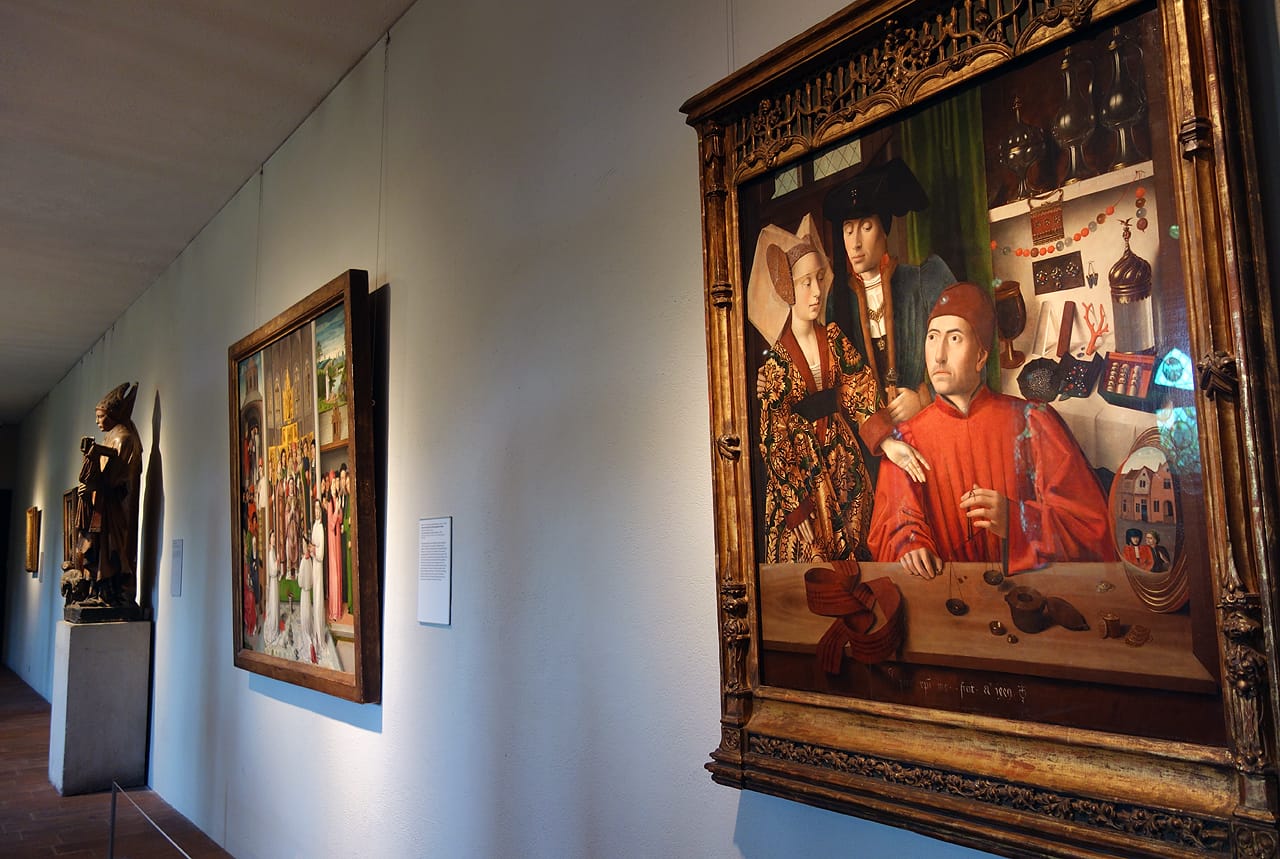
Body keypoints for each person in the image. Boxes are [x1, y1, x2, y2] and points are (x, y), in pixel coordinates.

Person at [868, 282, 1114, 576]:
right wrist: (909, 545)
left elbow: (1091, 529)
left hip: (1029, 591)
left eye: (955, 338)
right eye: (932, 337)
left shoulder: (1034, 422)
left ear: (981, 356)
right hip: (947, 593)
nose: (939, 355)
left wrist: (1017, 520)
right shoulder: (906, 442)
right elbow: (891, 529)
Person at [749, 216, 882, 563]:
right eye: (805, 282)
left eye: (819, 279)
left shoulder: (833, 338)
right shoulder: (777, 362)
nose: (817, 291)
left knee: (858, 552)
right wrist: (795, 505)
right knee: (811, 561)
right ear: (787, 289)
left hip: (843, 461)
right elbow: (773, 435)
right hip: (803, 472)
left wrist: (885, 437)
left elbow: (858, 385)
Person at [822, 158, 956, 471]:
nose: (855, 242)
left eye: (866, 228)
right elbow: (838, 382)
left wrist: (923, 398)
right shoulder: (836, 303)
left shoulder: (922, 282)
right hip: (869, 449)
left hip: (927, 430)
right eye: (848, 230)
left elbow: (961, 353)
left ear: (884, 231)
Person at [66, 382, 144, 606]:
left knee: (110, 549)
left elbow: (116, 478)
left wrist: (93, 486)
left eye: (101, 416)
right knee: (98, 548)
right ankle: (98, 591)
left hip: (114, 509)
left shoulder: (123, 439)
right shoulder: (110, 437)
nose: (97, 421)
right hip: (103, 505)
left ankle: (111, 594)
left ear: (114, 415)